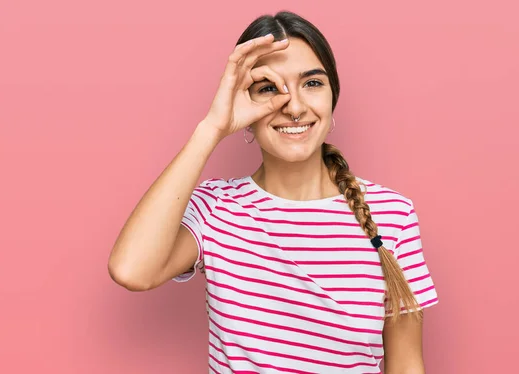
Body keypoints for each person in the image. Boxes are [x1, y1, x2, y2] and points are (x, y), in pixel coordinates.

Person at [108, 10, 439, 374]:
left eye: (312, 83)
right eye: (269, 88)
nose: (295, 107)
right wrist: (212, 127)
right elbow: (131, 270)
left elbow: (407, 363)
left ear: (333, 98)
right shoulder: (215, 209)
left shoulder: (393, 214)